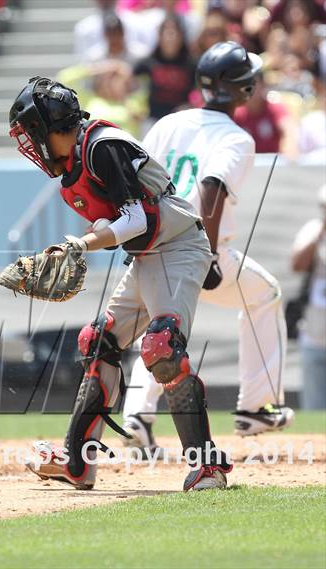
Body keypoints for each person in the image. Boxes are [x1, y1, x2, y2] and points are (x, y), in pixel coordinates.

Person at [8, 75, 232, 490]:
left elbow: (137, 219)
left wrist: (80, 244)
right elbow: (117, 222)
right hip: (149, 254)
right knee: (98, 342)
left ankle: (207, 466)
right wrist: (80, 244)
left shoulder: (101, 146)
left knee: (162, 347)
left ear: (47, 127)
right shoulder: (78, 162)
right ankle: (78, 462)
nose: (32, 147)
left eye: (32, 134)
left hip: (180, 247)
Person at [121, 41, 295, 450]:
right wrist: (210, 254)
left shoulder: (168, 123)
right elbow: (211, 189)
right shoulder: (238, 138)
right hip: (197, 244)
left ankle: (136, 418)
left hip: (152, 244)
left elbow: (134, 179)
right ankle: (255, 407)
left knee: (159, 323)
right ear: (244, 89)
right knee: (265, 295)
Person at [291, 185, 326, 410]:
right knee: (314, 407)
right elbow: (297, 264)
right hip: (315, 332)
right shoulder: (314, 229)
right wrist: (320, 234)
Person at [133, 13, 195, 130]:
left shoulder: (191, 64)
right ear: (159, 35)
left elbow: (200, 93)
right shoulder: (148, 62)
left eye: (175, 32)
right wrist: (134, 106)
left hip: (182, 123)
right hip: (153, 122)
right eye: (167, 32)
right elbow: (128, 83)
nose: (171, 36)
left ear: (181, 35)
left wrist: (190, 105)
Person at [234, 72, 298, 159]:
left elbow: (289, 131)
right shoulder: (236, 114)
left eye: (253, 85)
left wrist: (289, 159)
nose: (249, 90)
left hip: (274, 167)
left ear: (263, 86)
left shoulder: (275, 108)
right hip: (247, 167)